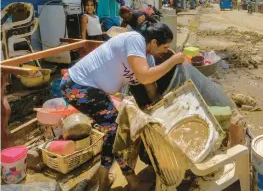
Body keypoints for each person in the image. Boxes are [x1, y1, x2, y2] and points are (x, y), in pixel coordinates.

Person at [60, 22, 185, 191]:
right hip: (78, 86)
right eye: (164, 46)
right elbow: (145, 77)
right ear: (154, 42)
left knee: (113, 132)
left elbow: (149, 86)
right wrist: (173, 60)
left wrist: (157, 109)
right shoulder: (135, 40)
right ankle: (128, 180)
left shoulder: (145, 58)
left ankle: (105, 177)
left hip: (90, 90)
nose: (165, 51)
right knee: (117, 131)